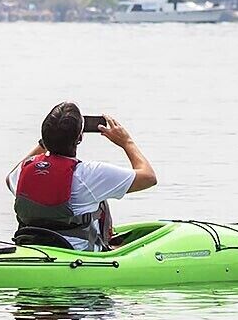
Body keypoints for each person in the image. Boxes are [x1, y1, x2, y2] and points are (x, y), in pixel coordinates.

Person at [9, 102, 156, 250]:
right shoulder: (90, 174)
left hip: (30, 245)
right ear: (79, 138)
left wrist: (47, 142)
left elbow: (10, 179)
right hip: (77, 254)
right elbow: (149, 177)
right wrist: (126, 142)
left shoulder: (25, 168)